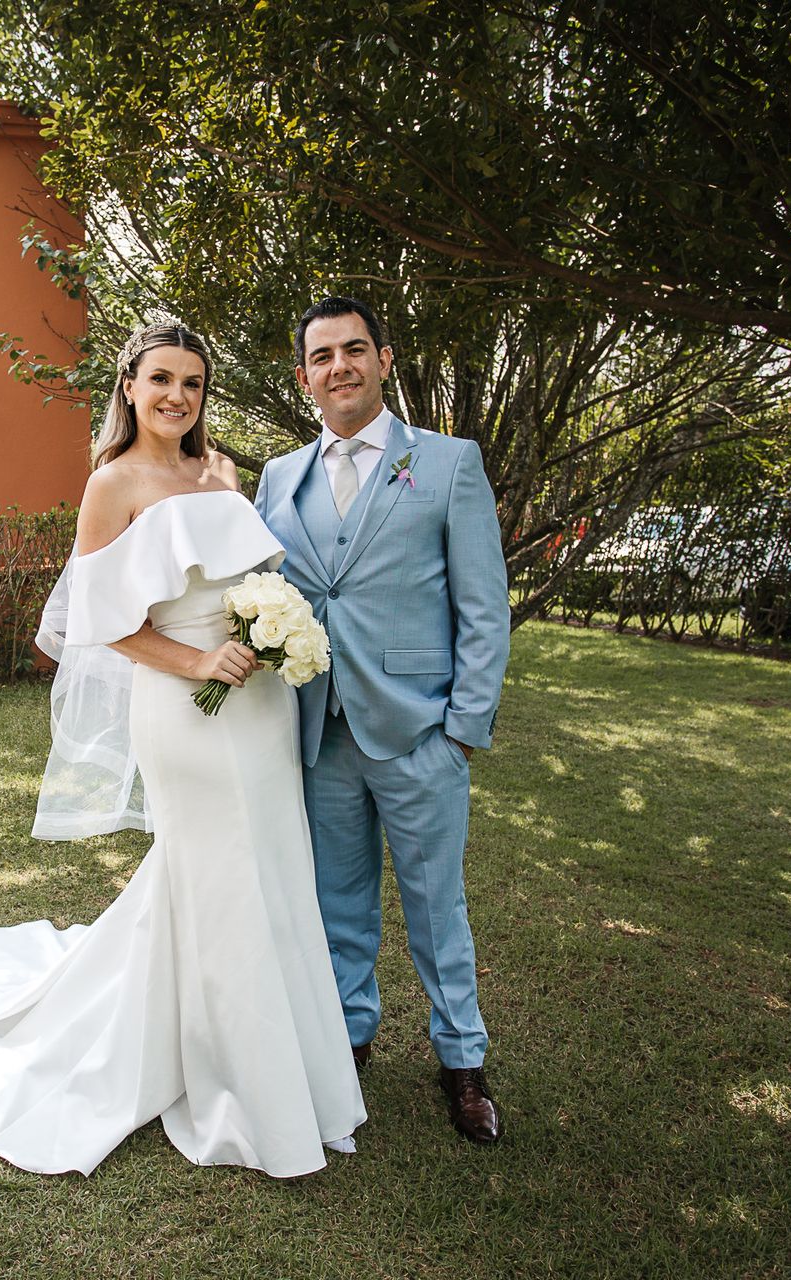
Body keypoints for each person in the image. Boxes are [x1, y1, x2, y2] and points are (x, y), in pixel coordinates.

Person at [0, 322, 364, 1177]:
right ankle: (237, 1088)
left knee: (270, 874)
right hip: (187, 706)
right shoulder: (113, 484)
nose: (177, 396)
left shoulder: (221, 473)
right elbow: (99, 625)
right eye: (161, 378)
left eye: (194, 384)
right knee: (215, 878)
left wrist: (270, 638)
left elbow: (251, 581)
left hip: (261, 706)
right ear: (130, 386)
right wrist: (200, 658)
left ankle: (289, 1069)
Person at [253, 296, 511, 1144]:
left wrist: (463, 726)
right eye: (322, 356)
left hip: (419, 733)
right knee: (338, 907)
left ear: (385, 361)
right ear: (303, 377)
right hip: (318, 735)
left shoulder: (445, 464)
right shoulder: (278, 478)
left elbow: (484, 607)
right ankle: (348, 1045)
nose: (340, 367)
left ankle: (463, 1065)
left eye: (355, 350)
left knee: (439, 907)